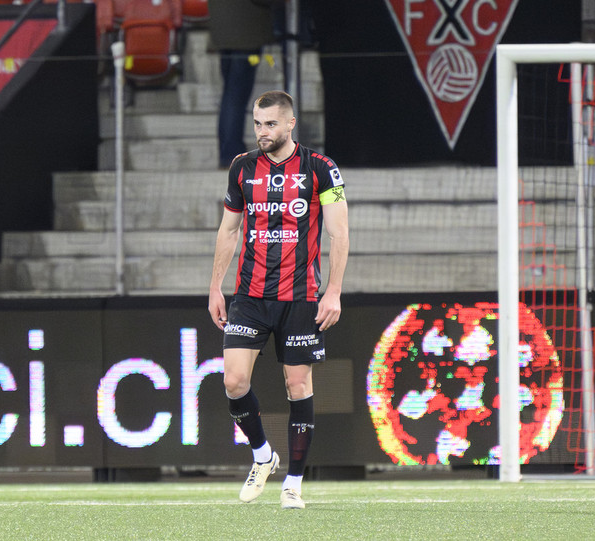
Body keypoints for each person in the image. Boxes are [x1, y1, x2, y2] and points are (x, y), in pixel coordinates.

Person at [208, 90, 349, 509]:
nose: (262, 131)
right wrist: (215, 286)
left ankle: (293, 483)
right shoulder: (242, 167)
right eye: (257, 123)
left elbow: (338, 232)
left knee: (297, 383)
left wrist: (334, 291)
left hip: (301, 295)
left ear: (290, 124)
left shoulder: (322, 169)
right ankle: (262, 456)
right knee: (233, 381)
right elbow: (229, 230)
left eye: (270, 124)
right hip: (249, 294)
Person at [208, 0, 276, 168]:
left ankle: (228, 149)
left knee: (230, 92)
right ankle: (231, 151)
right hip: (245, 28)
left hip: (222, 27)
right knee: (236, 95)